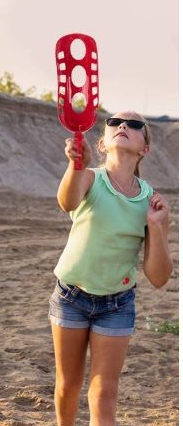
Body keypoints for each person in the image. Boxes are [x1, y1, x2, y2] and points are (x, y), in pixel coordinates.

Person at [49, 111, 172, 426]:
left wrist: (156, 228)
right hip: (70, 297)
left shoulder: (152, 203)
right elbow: (67, 201)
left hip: (117, 304)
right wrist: (76, 164)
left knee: (104, 393)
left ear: (144, 148)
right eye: (115, 123)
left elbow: (159, 278)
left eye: (134, 125)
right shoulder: (90, 178)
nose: (123, 127)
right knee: (68, 386)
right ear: (102, 143)